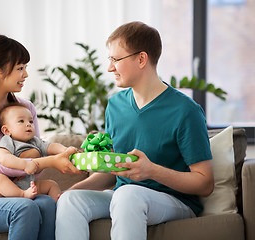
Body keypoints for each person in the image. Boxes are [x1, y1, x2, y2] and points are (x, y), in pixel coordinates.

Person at [56, 21, 214, 240]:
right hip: (123, 196)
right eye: (109, 59)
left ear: (141, 59)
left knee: (128, 195)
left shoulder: (186, 111)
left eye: (116, 59)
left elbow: (205, 183)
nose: (110, 67)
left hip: (173, 201)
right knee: (70, 200)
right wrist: (74, 189)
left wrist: (152, 171)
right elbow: (112, 170)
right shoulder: (115, 105)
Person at [0, 34, 80, 240]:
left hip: (19, 190)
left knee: (46, 204)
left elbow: (36, 152)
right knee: (24, 208)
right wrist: (50, 161)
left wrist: (58, 154)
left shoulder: (26, 109)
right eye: (20, 68)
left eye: (25, 67)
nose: (26, 74)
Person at [0, 103, 72, 201]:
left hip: (30, 185)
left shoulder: (34, 141)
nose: (28, 124)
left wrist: (65, 150)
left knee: (51, 185)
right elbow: (3, 157)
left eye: (31, 121)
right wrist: (25, 164)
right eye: (21, 121)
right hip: (9, 186)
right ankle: (22, 194)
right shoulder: (8, 140)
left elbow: (51, 146)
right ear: (7, 130)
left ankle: (59, 206)